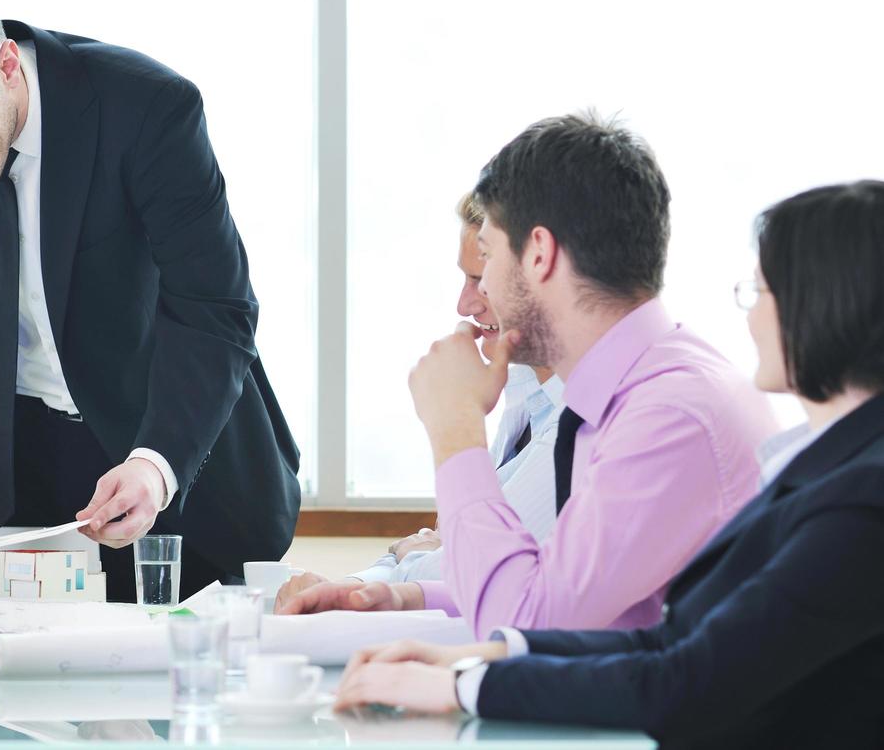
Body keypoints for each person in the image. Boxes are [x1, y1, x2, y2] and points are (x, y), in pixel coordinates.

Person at [332, 180, 884, 749]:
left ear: (825, 301)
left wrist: (463, 684)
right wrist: (485, 656)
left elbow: (683, 679)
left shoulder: (862, 493)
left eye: (760, 290)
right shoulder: (827, 467)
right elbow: (667, 639)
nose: (748, 317)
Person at [0, 0, 299, 597]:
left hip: (166, 455)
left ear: (6, 66)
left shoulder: (144, 108)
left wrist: (155, 465)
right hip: (13, 468)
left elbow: (215, 309)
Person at [281, 113, 776, 637]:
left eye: (488, 255)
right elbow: (555, 594)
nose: (475, 293)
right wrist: (404, 597)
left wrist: (455, 427)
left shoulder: (668, 414)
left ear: (539, 254)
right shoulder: (636, 390)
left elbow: (528, 624)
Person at [293, 192, 563, 592]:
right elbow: (437, 554)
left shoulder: (577, 425)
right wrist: (349, 586)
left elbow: (469, 574)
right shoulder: (526, 395)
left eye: (481, 281)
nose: (464, 305)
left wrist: (454, 421)